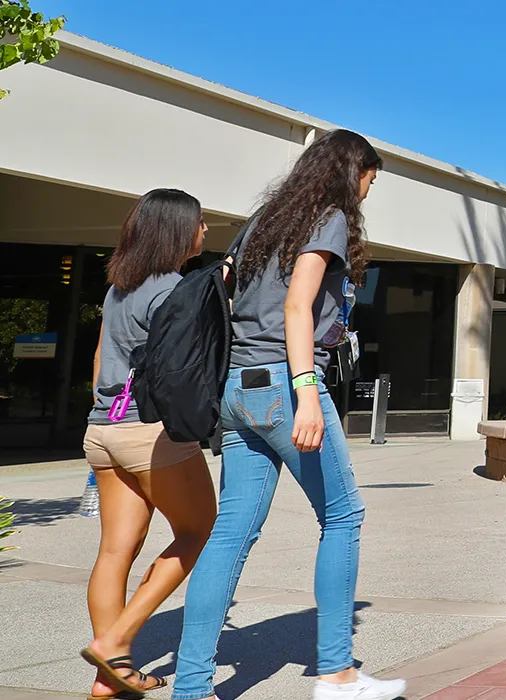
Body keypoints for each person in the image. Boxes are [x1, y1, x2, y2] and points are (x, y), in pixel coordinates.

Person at [173, 129, 406, 700]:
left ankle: (191, 686)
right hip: (284, 384)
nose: (369, 190)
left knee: (230, 534)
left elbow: (227, 296)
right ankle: (337, 673)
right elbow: (298, 305)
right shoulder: (327, 217)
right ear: (351, 172)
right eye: (370, 179)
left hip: (237, 388)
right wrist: (306, 393)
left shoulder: (262, 221)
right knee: (343, 517)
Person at [78, 189, 217, 700]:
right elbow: (181, 371)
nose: (205, 230)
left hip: (102, 430)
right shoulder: (176, 290)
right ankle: (114, 643)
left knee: (115, 550)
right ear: (178, 230)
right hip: (149, 432)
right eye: (200, 222)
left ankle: (109, 678)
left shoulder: (119, 288)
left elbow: (100, 358)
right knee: (199, 530)